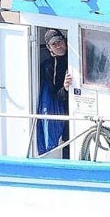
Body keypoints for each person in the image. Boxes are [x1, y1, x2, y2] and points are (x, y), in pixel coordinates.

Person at [36, 28, 73, 156]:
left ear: (65, 41)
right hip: (65, 106)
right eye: (54, 44)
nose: (58, 45)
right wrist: (65, 88)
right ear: (49, 47)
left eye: (59, 41)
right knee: (68, 137)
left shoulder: (76, 57)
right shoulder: (49, 66)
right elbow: (55, 95)